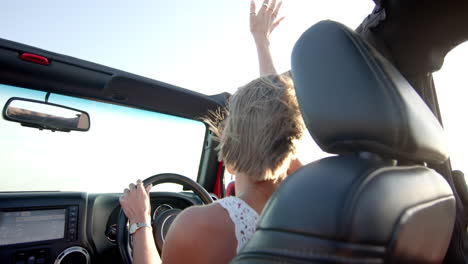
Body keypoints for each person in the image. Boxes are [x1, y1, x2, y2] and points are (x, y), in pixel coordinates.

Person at [119, 1, 304, 263]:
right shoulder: (311, 204)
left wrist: (140, 222)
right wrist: (262, 41)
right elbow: (279, 113)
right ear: (288, 147)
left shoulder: (199, 226)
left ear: (228, 159)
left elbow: (278, 113)